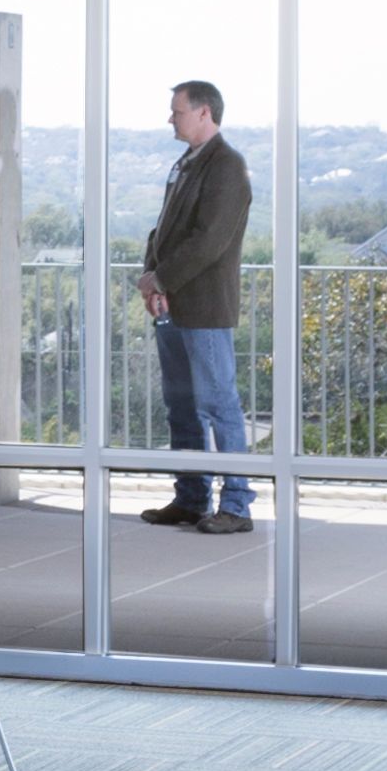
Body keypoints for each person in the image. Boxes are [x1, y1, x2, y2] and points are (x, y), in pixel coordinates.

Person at [138, 76, 255, 527]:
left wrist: (160, 280)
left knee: (217, 404)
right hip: (173, 304)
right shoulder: (188, 163)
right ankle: (190, 497)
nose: (171, 117)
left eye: (178, 110)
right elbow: (163, 229)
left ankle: (236, 504)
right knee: (182, 407)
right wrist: (154, 280)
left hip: (203, 308)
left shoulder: (226, 166)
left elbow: (209, 241)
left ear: (204, 112)